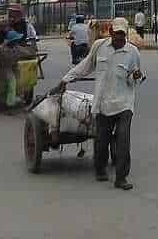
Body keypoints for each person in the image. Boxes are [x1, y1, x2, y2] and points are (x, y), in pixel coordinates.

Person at [56, 17, 144, 190]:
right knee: (102, 140)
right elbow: (85, 66)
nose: (119, 38)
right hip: (103, 102)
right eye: (116, 34)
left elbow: (138, 77)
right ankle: (100, 168)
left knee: (123, 139)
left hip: (124, 103)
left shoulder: (133, 52)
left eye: (122, 35)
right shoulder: (99, 47)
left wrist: (135, 77)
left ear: (126, 35)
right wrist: (66, 79)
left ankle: (121, 178)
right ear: (110, 32)